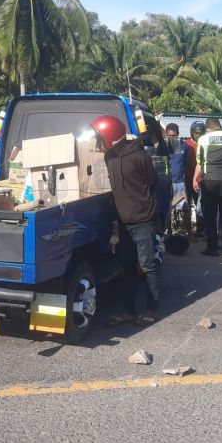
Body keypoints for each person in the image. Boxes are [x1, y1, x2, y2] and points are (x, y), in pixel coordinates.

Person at [93, 115, 162, 327]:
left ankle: (152, 309)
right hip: (124, 222)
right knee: (127, 267)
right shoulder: (109, 158)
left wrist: (140, 204)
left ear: (110, 137)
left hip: (142, 219)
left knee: (148, 266)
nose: (97, 142)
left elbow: (152, 182)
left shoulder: (139, 156)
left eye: (100, 137)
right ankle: (128, 311)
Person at [193, 117, 222, 256]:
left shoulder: (203, 139)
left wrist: (195, 179)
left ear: (208, 128)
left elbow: (199, 161)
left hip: (209, 181)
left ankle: (212, 247)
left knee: (210, 215)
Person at [166, 123, 191, 234]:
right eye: (169, 136)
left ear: (178, 134)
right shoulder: (162, 147)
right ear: (166, 135)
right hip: (166, 183)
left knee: (184, 208)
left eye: (174, 136)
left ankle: (189, 231)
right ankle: (168, 232)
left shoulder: (184, 146)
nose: (171, 138)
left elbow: (186, 163)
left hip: (180, 183)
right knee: (167, 209)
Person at [184, 121, 206, 235]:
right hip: (186, 181)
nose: (198, 135)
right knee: (186, 206)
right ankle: (188, 232)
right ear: (192, 133)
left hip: (199, 181)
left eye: (201, 133)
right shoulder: (186, 144)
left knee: (200, 207)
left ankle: (200, 230)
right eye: (196, 133)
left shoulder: (205, 144)